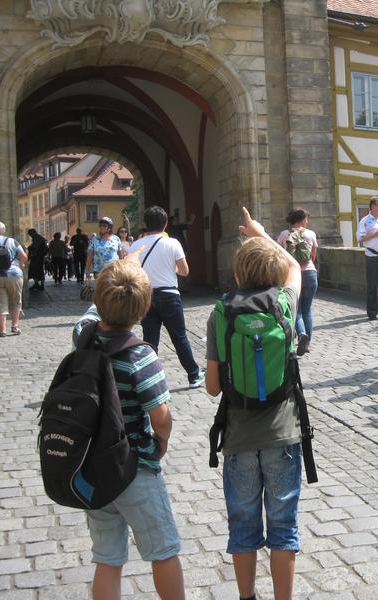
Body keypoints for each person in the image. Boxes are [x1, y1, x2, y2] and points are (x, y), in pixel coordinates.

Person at [205, 206, 302, 600]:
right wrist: (262, 233)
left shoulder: (222, 313)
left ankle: (247, 598)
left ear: (238, 274)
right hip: (283, 434)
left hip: (239, 437)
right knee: (284, 526)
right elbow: (295, 265)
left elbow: (213, 387)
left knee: (243, 525)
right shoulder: (285, 303)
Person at [72, 260, 185, 600]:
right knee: (163, 550)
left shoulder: (84, 336)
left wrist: (117, 276)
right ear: (145, 308)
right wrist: (160, 441)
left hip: (93, 467)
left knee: (107, 559)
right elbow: (160, 416)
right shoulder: (140, 356)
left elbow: (93, 312)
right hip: (134, 468)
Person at [129, 206, 203, 389]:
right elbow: (185, 271)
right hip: (169, 295)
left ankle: (147, 380)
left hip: (147, 296)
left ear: (146, 224)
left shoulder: (136, 245)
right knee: (179, 337)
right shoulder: (173, 243)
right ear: (166, 224)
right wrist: (171, 269)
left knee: (150, 340)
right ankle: (193, 375)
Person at [277, 208, 318, 356]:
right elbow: (313, 255)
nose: (307, 222)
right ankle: (307, 345)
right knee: (307, 310)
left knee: (297, 310)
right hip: (310, 274)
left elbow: (279, 255)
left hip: (292, 276)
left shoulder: (284, 234)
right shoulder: (310, 234)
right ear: (301, 219)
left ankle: (301, 334)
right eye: (306, 219)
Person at [356, 196, 378, 320]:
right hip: (372, 255)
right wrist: (377, 233)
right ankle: (372, 312)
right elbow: (360, 238)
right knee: (372, 285)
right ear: (373, 207)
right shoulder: (365, 221)